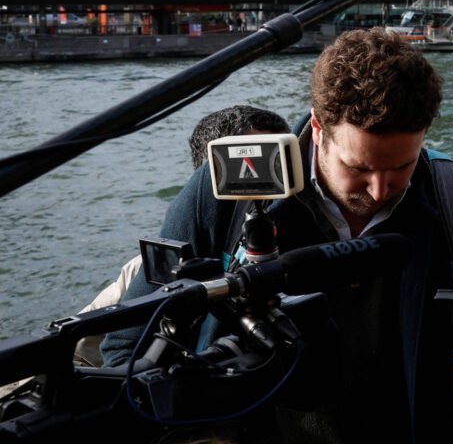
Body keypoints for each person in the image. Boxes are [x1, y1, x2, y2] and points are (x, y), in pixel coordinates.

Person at [102, 28, 453, 442]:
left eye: (401, 167)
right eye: (359, 168)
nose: (379, 190)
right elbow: (127, 349)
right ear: (318, 128)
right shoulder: (223, 191)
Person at [72, 105, 290, 368]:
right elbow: (93, 350)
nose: (271, 179)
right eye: (248, 163)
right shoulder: (143, 272)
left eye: (281, 161)